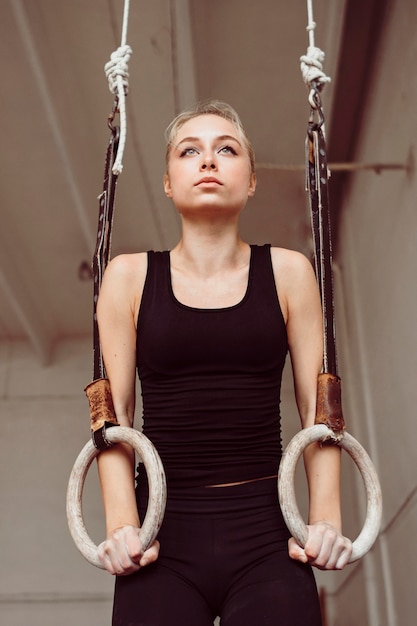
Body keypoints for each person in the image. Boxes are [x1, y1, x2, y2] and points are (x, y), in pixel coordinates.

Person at [96, 100, 352, 626]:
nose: (208, 161)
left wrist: (326, 518)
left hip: (266, 530)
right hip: (161, 535)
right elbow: (112, 416)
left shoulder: (289, 271)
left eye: (226, 150)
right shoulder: (126, 277)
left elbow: (319, 407)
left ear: (251, 180)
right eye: (190, 151)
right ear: (168, 182)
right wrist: (123, 526)